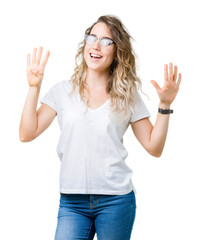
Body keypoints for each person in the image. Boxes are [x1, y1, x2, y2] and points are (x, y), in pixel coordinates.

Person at [19, 15, 181, 240]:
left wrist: (164, 105)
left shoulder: (127, 95)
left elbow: (154, 147)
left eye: (106, 41)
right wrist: (33, 87)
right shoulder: (62, 92)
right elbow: (27, 133)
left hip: (116, 201)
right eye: (92, 37)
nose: (96, 45)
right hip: (72, 202)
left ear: (117, 51)